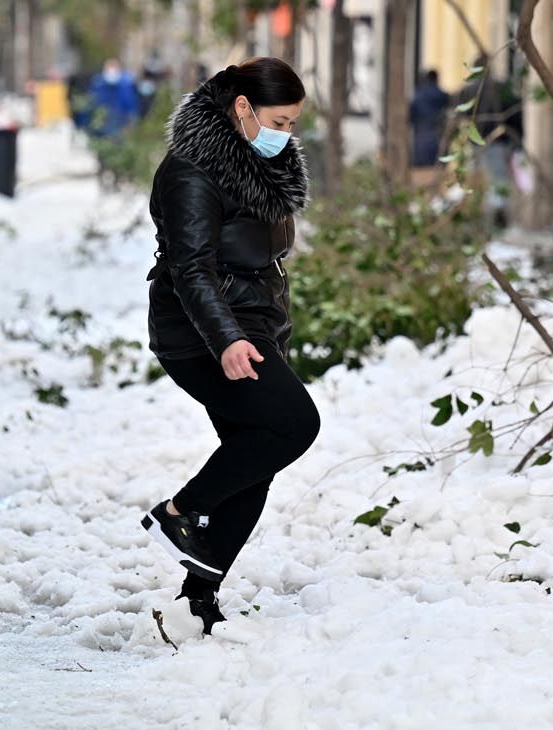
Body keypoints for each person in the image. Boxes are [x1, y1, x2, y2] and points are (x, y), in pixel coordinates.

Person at [140, 58, 321, 635]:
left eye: (293, 124)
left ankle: (198, 597)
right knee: (295, 425)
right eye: (280, 121)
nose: (286, 134)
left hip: (251, 324)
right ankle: (177, 513)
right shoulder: (191, 171)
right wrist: (227, 340)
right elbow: (191, 269)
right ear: (243, 108)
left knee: (255, 454)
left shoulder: (254, 159)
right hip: (199, 334)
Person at [86, 58, 140, 138]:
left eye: (114, 68)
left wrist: (131, 122)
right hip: (100, 124)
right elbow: (91, 102)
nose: (111, 71)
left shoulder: (126, 84)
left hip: (120, 123)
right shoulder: (98, 82)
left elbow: (131, 104)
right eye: (108, 68)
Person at [409, 69, 449, 167]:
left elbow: (411, 116)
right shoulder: (443, 95)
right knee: (439, 164)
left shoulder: (418, 96)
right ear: (436, 79)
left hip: (422, 133)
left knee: (422, 167)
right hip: (438, 132)